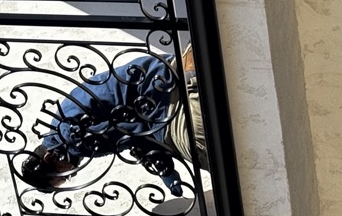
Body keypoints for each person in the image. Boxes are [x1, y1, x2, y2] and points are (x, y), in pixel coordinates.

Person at [19, 47, 208, 196]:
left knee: (201, 151)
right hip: (159, 73)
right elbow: (129, 134)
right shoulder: (61, 127)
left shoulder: (76, 141)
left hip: (159, 94)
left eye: (62, 175)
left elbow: (134, 133)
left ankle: (192, 81)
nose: (70, 174)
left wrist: (166, 171)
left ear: (50, 158)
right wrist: (163, 168)